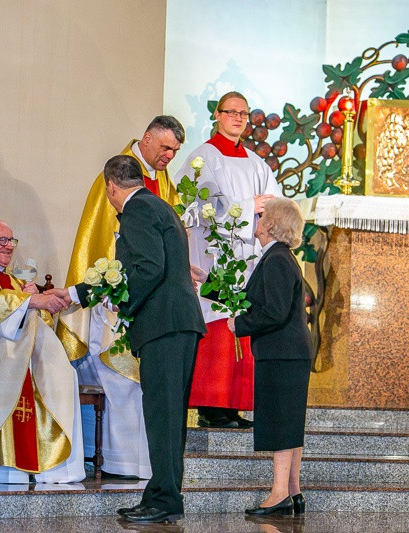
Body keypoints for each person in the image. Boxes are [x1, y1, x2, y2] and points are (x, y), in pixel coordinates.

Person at [53, 155, 206, 523]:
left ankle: (166, 499)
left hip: (165, 326)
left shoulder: (137, 210)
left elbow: (147, 269)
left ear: (110, 186)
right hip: (175, 324)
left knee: (163, 415)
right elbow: (133, 270)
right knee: (165, 415)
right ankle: (160, 493)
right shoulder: (158, 206)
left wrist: (125, 305)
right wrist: (75, 294)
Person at [57, 115, 185, 478]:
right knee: (153, 401)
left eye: (175, 151)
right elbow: (104, 246)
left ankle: (158, 486)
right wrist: (83, 293)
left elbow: (147, 268)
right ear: (145, 139)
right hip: (148, 311)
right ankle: (157, 486)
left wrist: (120, 303)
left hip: (153, 313)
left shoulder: (145, 198)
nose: (169, 156)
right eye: (165, 148)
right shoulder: (131, 186)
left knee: (157, 403)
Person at [177, 91, 282, 429]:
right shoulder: (202, 158)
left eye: (244, 114)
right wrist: (246, 205)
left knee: (243, 323)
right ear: (217, 116)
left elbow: (273, 201)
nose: (238, 118)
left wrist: (263, 210)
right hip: (215, 257)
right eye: (231, 112)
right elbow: (198, 207)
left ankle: (233, 405)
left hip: (248, 257)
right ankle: (211, 406)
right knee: (218, 324)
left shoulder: (256, 162)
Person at [0, 219, 85, 484]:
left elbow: (42, 323)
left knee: (64, 375)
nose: (8, 246)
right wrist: (31, 301)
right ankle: (2, 465)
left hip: (25, 357)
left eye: (11, 240)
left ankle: (46, 464)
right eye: (0, 240)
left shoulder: (15, 280)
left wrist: (36, 302)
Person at [226, 197, 312, 516]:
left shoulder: (276, 259)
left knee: (280, 423)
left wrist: (240, 325)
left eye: (261, 216)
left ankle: (278, 495)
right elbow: (254, 299)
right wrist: (208, 284)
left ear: (272, 224)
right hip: (288, 353)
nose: (257, 220)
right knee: (288, 423)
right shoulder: (281, 256)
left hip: (281, 354)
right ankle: (293, 491)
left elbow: (272, 312)